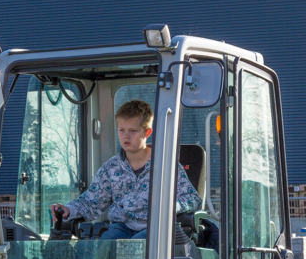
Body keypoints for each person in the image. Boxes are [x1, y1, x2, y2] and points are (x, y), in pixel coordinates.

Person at [51, 99, 201, 238]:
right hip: (122, 227)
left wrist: (171, 206)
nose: (126, 136)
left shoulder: (166, 166)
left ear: (147, 132)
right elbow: (92, 201)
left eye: (133, 131)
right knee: (106, 242)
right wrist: (69, 209)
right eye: (121, 130)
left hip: (155, 229)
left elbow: (193, 199)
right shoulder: (111, 168)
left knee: (139, 243)